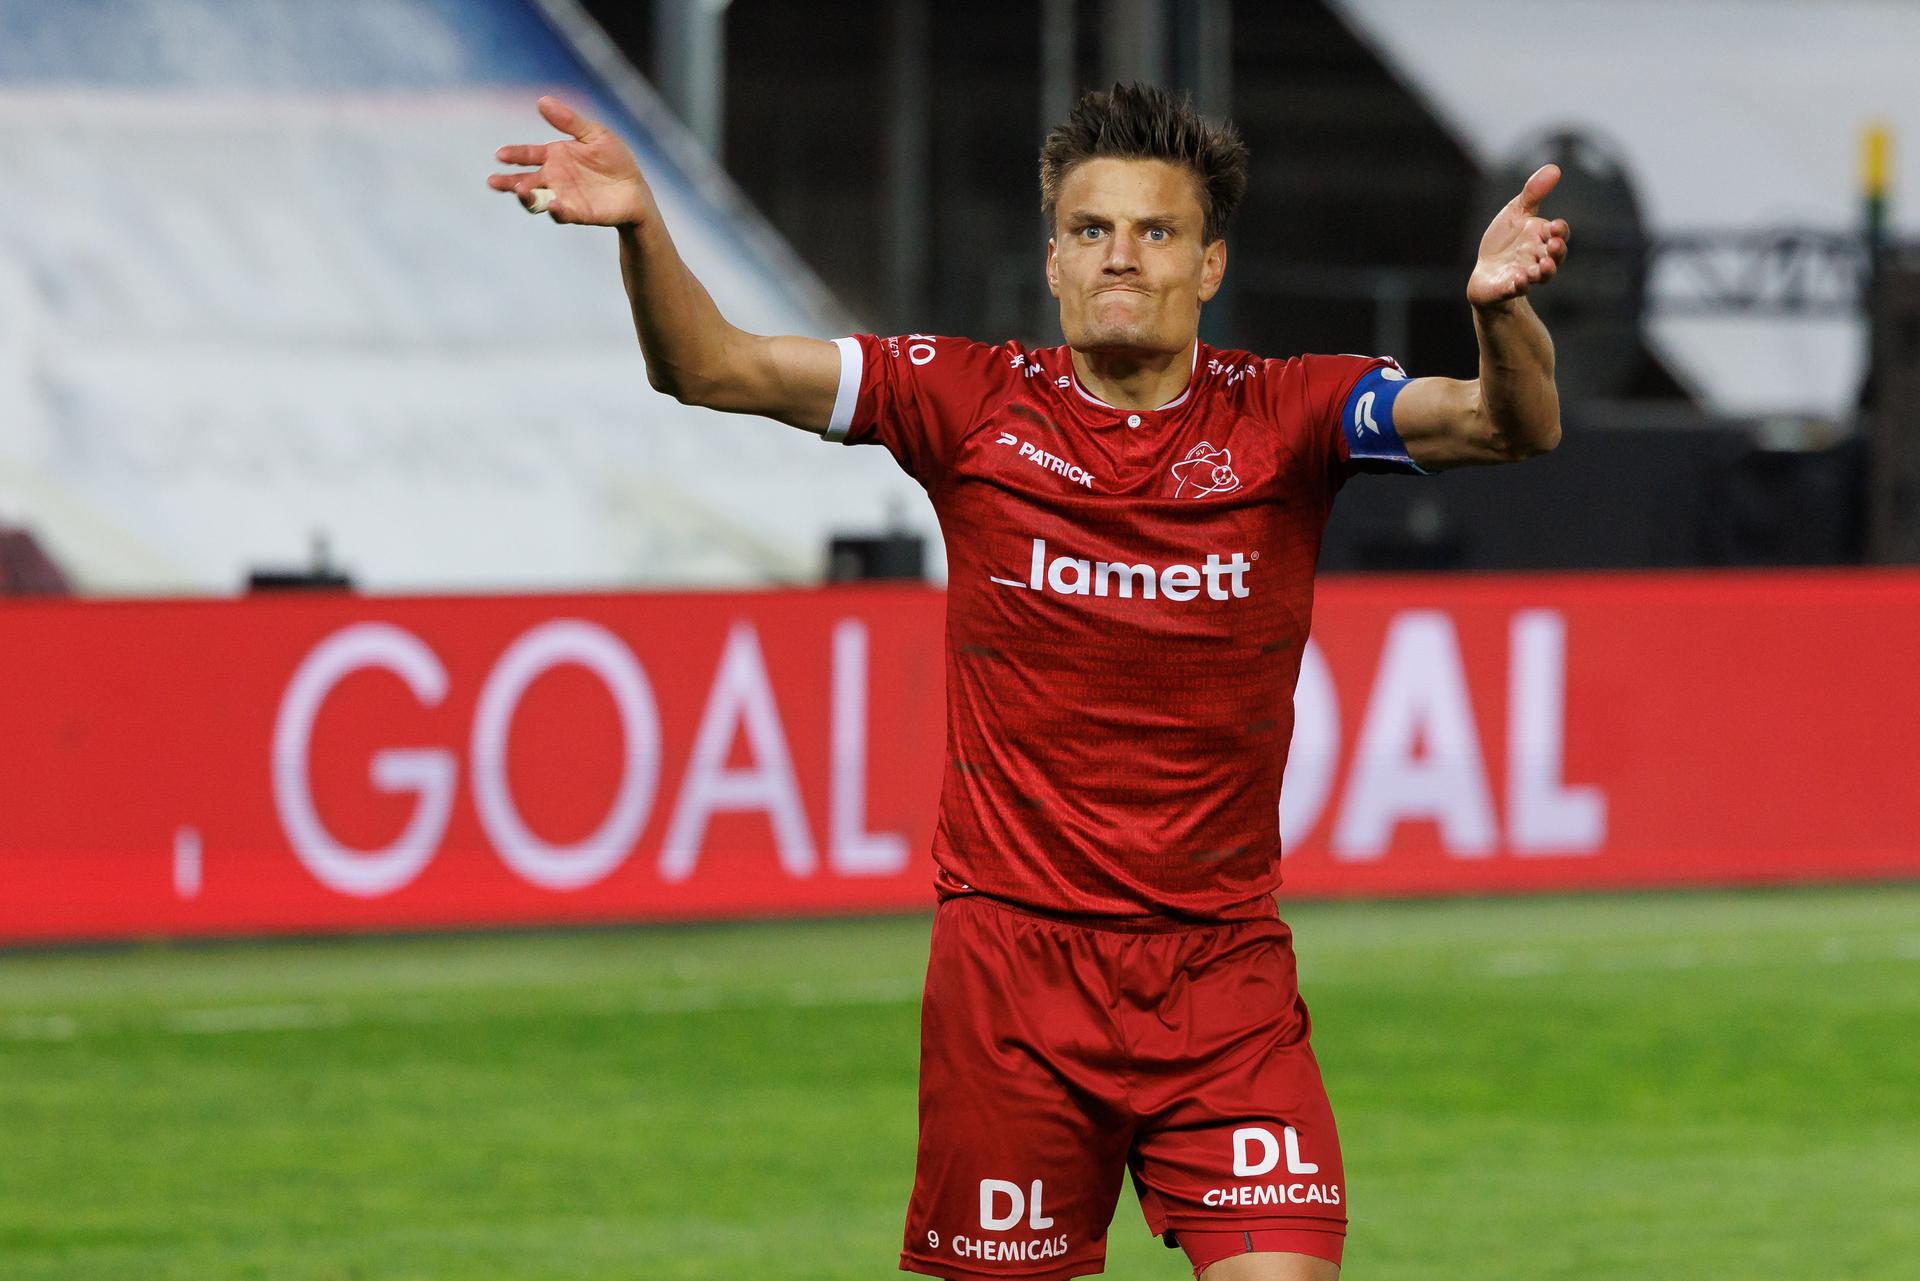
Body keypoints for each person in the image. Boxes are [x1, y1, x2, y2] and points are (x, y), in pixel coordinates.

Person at [490, 81, 1567, 1281]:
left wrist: (1498, 317)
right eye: (1093, 231)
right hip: (1011, 981)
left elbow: (1503, 425)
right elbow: (714, 367)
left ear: (1209, 266)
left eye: (1156, 233)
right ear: (1053, 260)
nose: (1122, 258)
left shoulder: (1292, 413)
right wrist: (644, 227)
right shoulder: (963, 402)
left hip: (1221, 977)